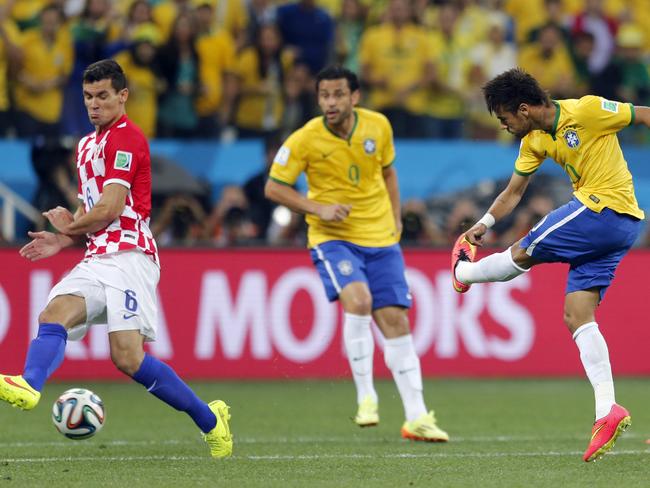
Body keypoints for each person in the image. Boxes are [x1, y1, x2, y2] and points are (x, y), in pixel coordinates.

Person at [0, 59, 232, 459]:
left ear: (122, 96)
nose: (95, 105)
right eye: (88, 97)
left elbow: (110, 209)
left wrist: (67, 231)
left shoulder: (128, 138)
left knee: (127, 358)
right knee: (53, 313)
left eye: (103, 96)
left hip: (130, 255)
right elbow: (93, 218)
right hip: (97, 254)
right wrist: (66, 239)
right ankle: (30, 384)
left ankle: (211, 421)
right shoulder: (86, 145)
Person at [450, 67, 650, 462]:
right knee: (577, 315)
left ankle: (462, 272)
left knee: (524, 251)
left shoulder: (588, 110)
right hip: (616, 230)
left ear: (522, 109)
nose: (504, 127)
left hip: (603, 209)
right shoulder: (535, 140)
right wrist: (484, 223)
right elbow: (513, 192)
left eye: (504, 118)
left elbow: (642, 113)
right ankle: (607, 410)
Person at [265, 65, 448, 442]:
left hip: (381, 237)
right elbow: (274, 188)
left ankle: (416, 416)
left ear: (354, 97)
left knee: (397, 322)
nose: (330, 103)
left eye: (337, 95)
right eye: (324, 96)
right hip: (334, 238)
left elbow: (389, 173)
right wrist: (318, 209)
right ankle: (367, 398)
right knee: (359, 300)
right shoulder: (304, 139)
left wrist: (395, 219)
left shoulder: (378, 126)